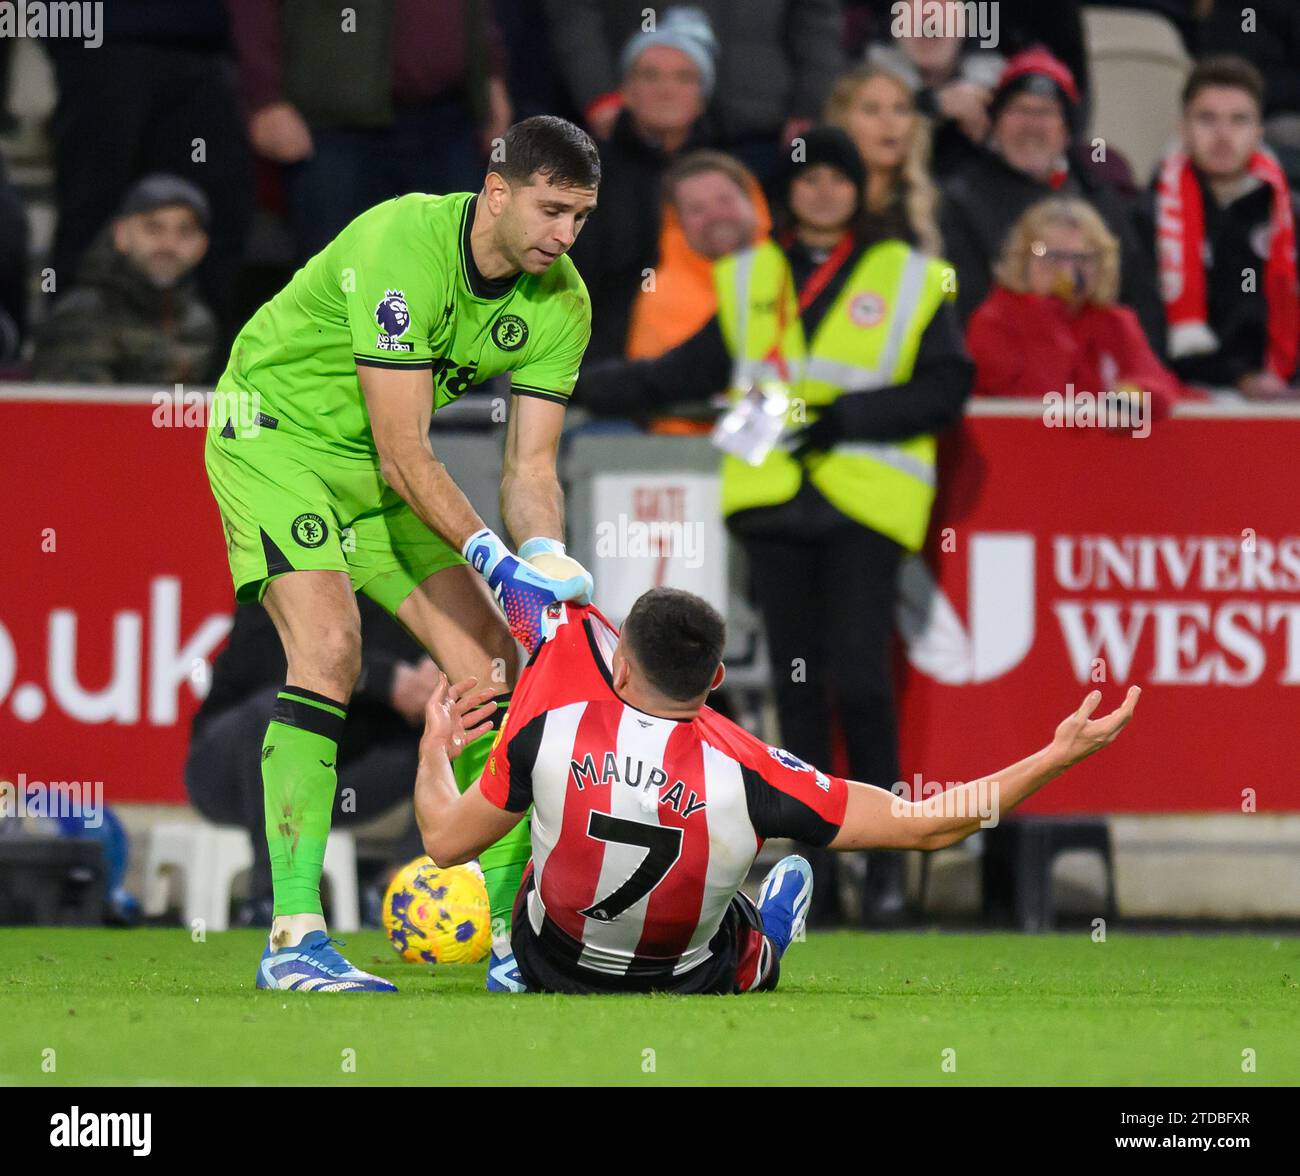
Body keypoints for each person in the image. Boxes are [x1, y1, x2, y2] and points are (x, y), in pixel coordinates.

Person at [206, 116, 601, 994]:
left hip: (378, 473)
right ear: (497, 191)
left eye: (580, 216)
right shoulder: (400, 246)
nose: (565, 235)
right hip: (276, 435)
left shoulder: (562, 299)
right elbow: (403, 451)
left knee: (493, 671)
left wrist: (542, 558)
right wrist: (498, 564)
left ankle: (510, 942)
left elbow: (531, 466)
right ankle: (293, 940)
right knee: (331, 649)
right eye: (551, 210)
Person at [575, 127, 972, 926]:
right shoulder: (753, 275)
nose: (822, 191)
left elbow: (946, 387)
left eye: (838, 177)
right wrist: (562, 382)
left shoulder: (914, 276)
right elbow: (675, 375)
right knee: (797, 696)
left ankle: (889, 864)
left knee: (859, 681)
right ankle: (809, 868)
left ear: (861, 189)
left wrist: (843, 418)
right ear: (786, 192)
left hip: (864, 501)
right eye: (809, 178)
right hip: (774, 506)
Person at [411, 588, 1140, 995]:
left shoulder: (551, 729)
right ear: (716, 682)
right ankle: (761, 945)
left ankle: (515, 961)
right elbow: (930, 827)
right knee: (729, 906)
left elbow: (444, 843)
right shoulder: (756, 770)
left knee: (549, 839)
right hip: (686, 981)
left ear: (621, 667)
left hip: (551, 965)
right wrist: (1055, 755)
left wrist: (433, 752)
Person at [186, 596, 447, 927]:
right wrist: (379, 678)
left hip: (342, 779)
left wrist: (442, 673)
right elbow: (267, 666)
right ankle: (278, 902)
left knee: (454, 728)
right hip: (230, 774)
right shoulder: (295, 566)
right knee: (282, 709)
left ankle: (405, 893)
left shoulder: (413, 577)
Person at [227, 0, 514, 261]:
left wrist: (490, 74)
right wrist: (264, 97)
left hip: (450, 117)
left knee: (461, 272)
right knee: (340, 279)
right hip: (336, 124)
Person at [44, 1, 253, 340]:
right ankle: (72, 354)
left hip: (208, 39)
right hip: (99, 34)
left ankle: (201, 357)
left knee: (218, 212)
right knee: (92, 209)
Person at [940, 46, 1167, 352]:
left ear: (1066, 130)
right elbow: (960, 307)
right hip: (1002, 376)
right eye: (1019, 110)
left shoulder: (1100, 198)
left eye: (1046, 112)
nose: (1032, 125)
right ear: (996, 122)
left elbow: (1139, 301)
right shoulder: (960, 201)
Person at [543, 0, 844, 178]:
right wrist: (598, 92)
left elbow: (817, 16)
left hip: (760, 131)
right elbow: (575, 11)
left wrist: (810, 102)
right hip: (639, 130)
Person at [1144, 56, 1299, 398]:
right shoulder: (1147, 214)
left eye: (1239, 120)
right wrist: (1240, 379)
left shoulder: (1287, 214)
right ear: (1182, 127)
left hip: (1283, 388)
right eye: (1207, 119)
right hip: (1182, 396)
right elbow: (1146, 330)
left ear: (1259, 131)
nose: (1223, 134)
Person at [566, 8, 717, 359]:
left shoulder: (727, 178)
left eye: (683, 78)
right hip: (602, 369)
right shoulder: (585, 176)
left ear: (702, 98)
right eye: (650, 76)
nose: (666, 89)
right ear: (626, 92)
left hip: (704, 369)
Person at [967, 197, 1187, 416]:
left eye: (1082, 258)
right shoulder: (994, 321)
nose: (1067, 270)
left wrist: (1128, 399)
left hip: (1099, 446)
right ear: (1023, 260)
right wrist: (1049, 308)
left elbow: (1160, 386)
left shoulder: (1114, 321)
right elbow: (1038, 397)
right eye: (1051, 256)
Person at [32, 175, 217, 385]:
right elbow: (75, 409)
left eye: (184, 232)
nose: (168, 245)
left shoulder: (200, 321)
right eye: (153, 228)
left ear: (202, 245)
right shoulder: (82, 316)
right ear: (121, 234)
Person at [623, 149, 769, 362]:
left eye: (724, 200)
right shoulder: (663, 300)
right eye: (697, 209)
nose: (716, 216)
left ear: (753, 202)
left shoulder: (793, 272)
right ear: (678, 223)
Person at [861, 0, 1004, 180]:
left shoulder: (1002, 90)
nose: (928, 17)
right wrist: (930, 106)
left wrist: (993, 133)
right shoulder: (858, 87)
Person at [823, 64, 944, 253]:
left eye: (901, 110)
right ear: (841, 122)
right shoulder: (816, 203)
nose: (889, 122)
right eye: (871, 110)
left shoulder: (934, 210)